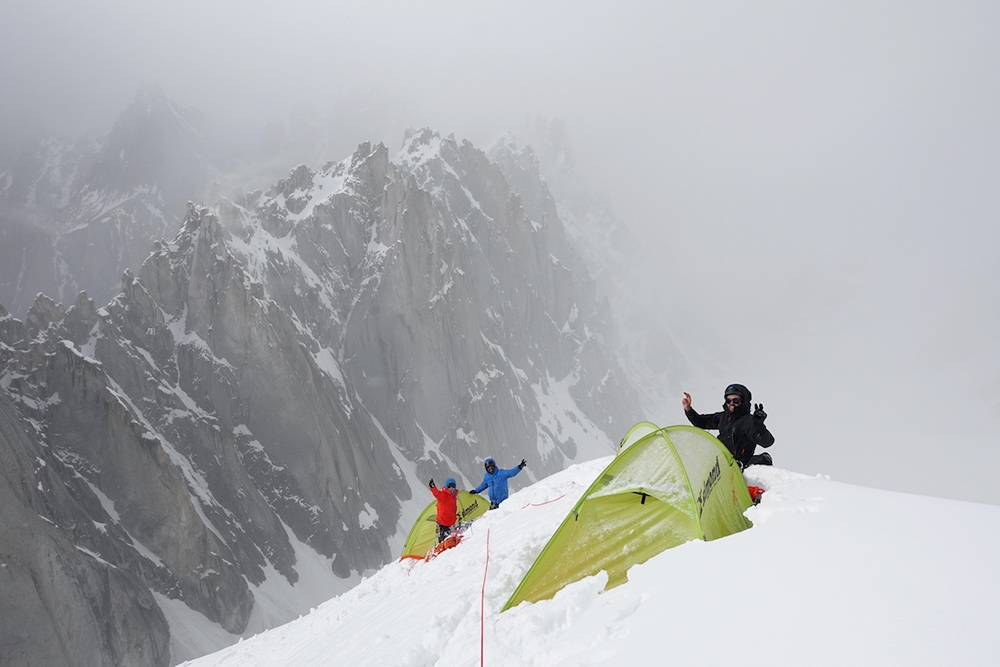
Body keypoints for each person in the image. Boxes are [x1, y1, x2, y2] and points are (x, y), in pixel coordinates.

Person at [682, 383, 774, 469]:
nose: (731, 404)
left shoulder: (748, 421)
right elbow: (701, 422)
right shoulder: (724, 417)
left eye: (736, 401)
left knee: (764, 459)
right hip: (719, 464)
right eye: (728, 400)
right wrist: (688, 409)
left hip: (739, 467)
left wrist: (758, 425)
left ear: (744, 401)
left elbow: (767, 442)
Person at [428, 477, 459, 543]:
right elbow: (437, 494)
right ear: (446, 486)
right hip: (441, 525)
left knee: (450, 542)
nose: (451, 488)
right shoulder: (443, 495)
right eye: (449, 486)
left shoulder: (454, 496)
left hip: (451, 525)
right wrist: (433, 487)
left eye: (453, 486)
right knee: (442, 542)